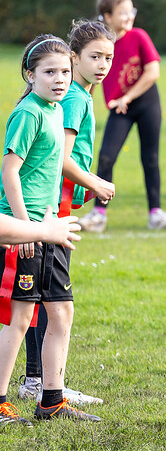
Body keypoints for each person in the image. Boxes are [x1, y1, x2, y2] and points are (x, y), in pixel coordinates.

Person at [0, 36, 101, 426]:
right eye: (49, 72)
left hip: (50, 225)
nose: (59, 79)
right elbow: (10, 172)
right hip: (25, 227)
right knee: (20, 317)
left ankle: (52, 400)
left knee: (61, 312)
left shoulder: (57, 109)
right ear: (30, 74)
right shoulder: (29, 113)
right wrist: (27, 228)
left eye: (63, 71)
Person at [18, 21, 116, 407]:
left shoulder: (79, 95)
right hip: (50, 206)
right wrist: (94, 181)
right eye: (95, 57)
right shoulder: (74, 98)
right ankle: (38, 381)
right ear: (75, 58)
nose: (103, 65)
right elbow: (60, 158)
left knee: (44, 295)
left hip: (53, 205)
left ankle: (38, 379)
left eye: (109, 57)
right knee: (49, 295)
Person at [78, 0, 166, 232]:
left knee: (150, 158)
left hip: (146, 103)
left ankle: (156, 213)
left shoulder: (139, 36)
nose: (129, 16)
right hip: (119, 109)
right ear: (107, 16)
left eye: (131, 11)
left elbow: (153, 72)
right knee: (107, 157)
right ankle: (98, 214)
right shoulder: (101, 44)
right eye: (122, 13)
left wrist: (128, 97)